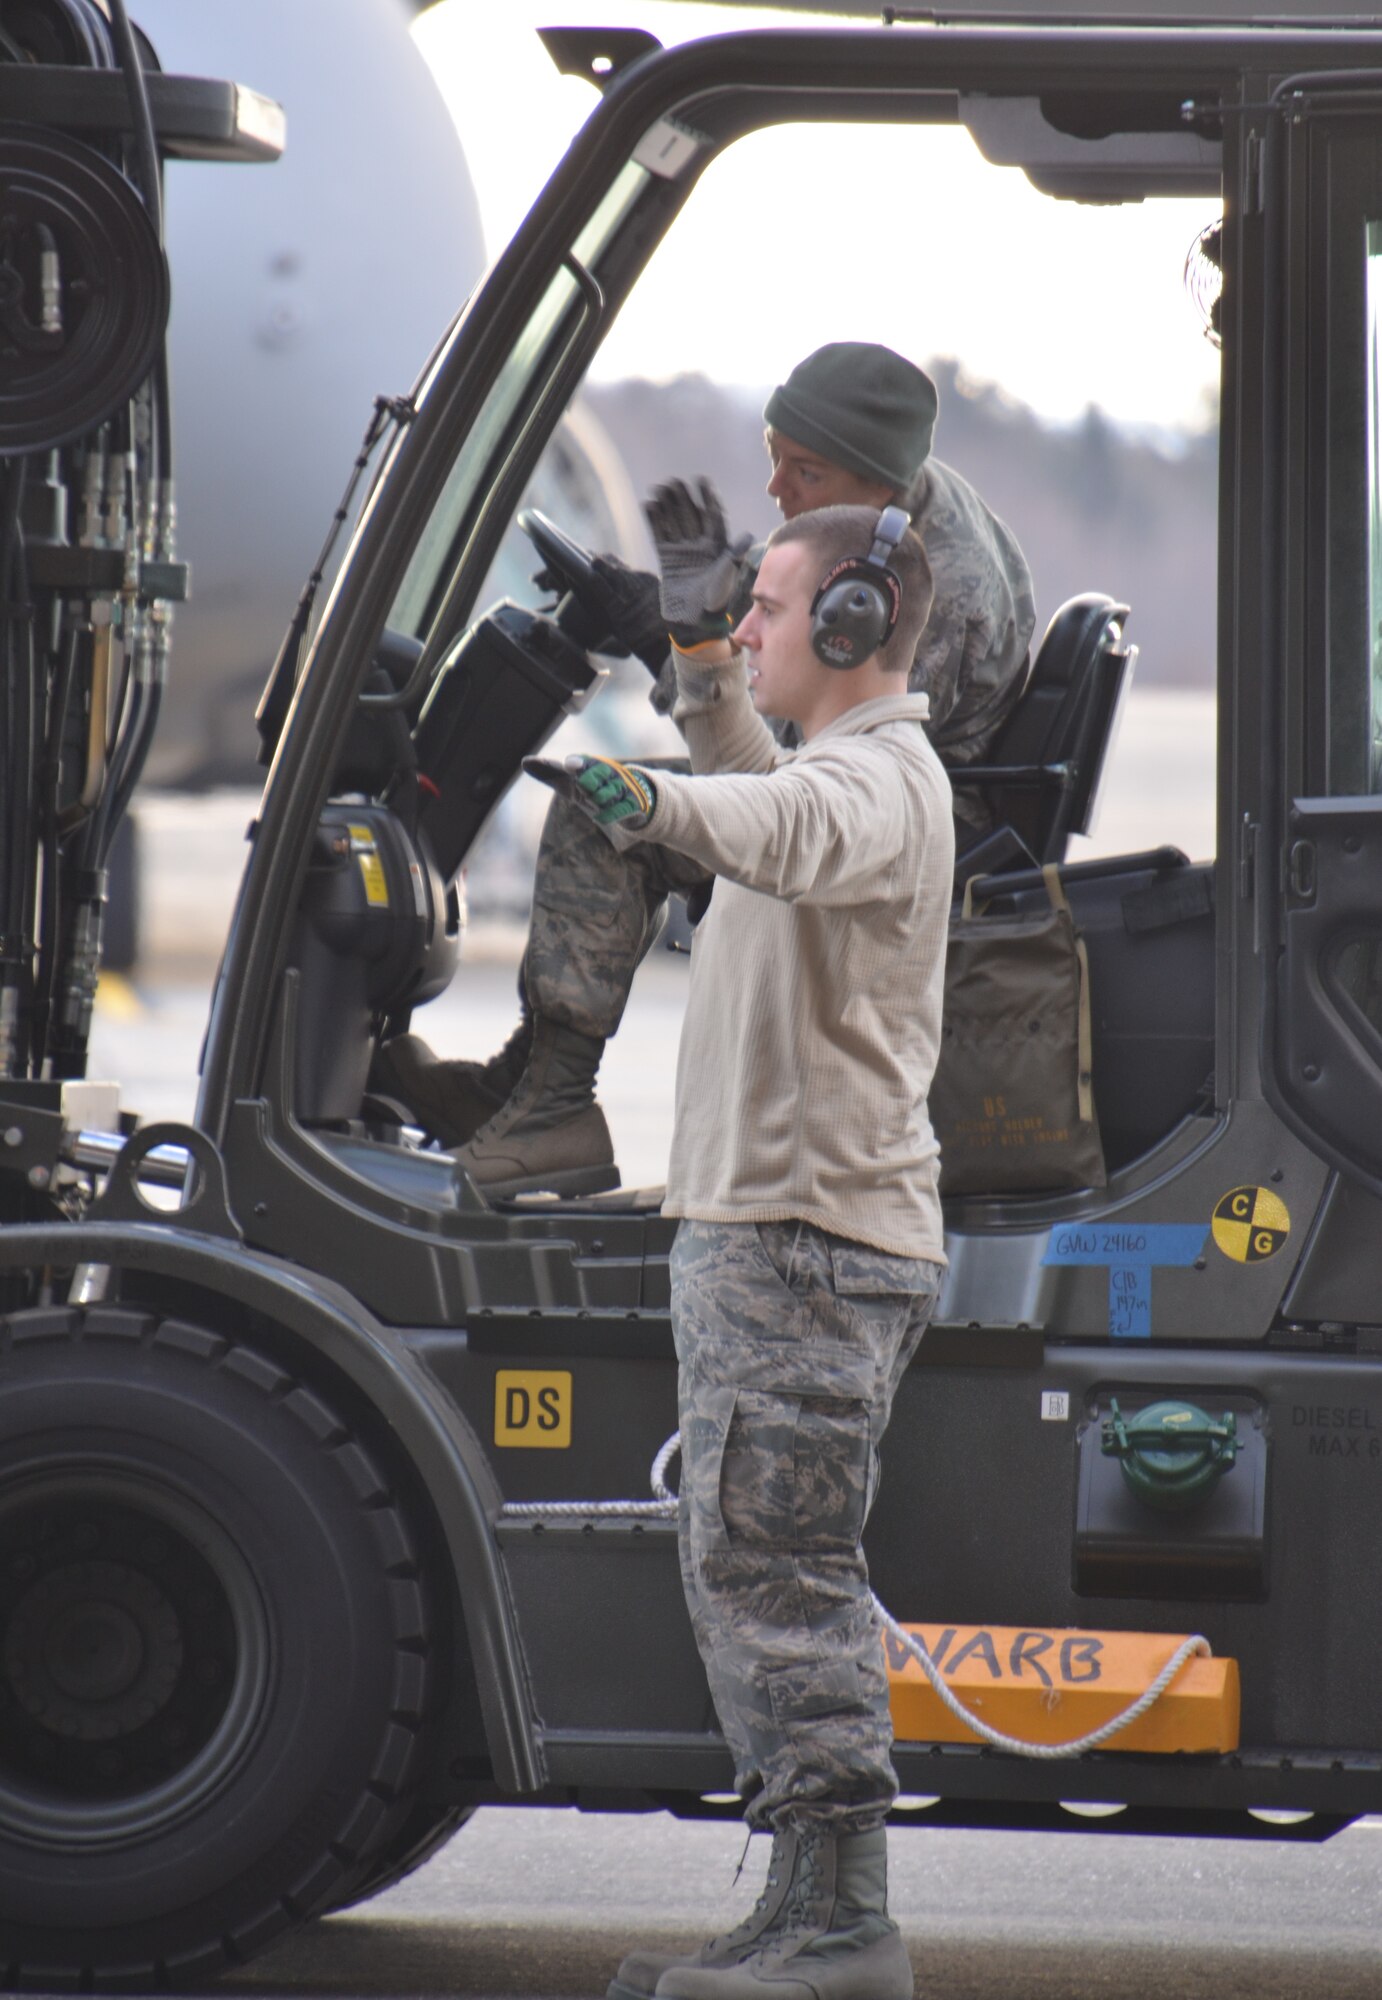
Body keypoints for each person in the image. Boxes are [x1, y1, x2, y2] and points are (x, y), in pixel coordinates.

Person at [549, 500, 950, 2000]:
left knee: (780, 1584)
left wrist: (638, 802)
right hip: (778, 1236)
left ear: (852, 631)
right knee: (753, 1572)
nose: (758, 629)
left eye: (774, 611)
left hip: (803, 1243)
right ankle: (798, 1916)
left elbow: (766, 826)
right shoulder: (842, 774)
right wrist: (702, 665)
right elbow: (756, 784)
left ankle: (843, 1931)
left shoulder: (879, 789)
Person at [373, 342, 1033, 1194]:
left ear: (873, 479)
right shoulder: (883, 517)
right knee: (617, 797)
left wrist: (672, 638)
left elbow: (798, 758)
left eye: (804, 471)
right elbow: (793, 615)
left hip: (881, 838)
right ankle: (531, 1081)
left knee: (610, 813)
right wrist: (673, 609)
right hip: (856, 794)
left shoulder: (934, 590)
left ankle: (552, 1107)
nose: (776, 489)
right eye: (773, 456)